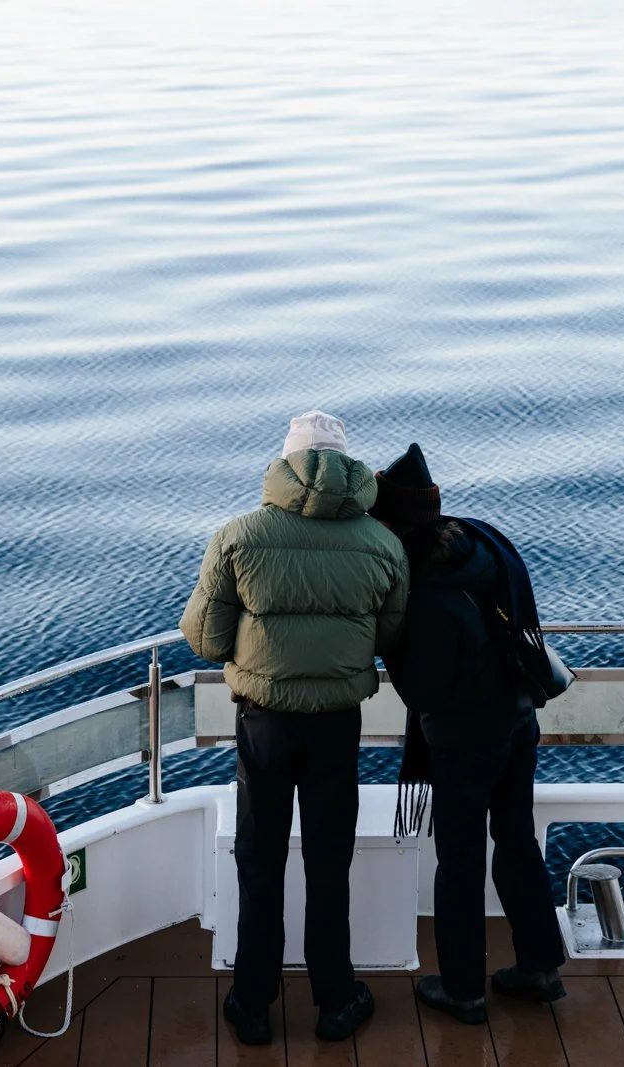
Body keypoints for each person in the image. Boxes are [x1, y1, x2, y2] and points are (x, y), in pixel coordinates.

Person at [180, 411, 409, 1045]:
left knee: (260, 858)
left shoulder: (239, 535)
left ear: (284, 466)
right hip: (337, 723)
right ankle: (336, 1000)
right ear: (351, 470)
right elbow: (387, 635)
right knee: (330, 861)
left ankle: (252, 1004)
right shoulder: (383, 543)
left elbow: (204, 638)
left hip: (264, 724)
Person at [371, 443, 567, 1025]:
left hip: (464, 739)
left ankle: (462, 988)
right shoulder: (485, 539)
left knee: (458, 861)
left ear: (392, 521)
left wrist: (390, 652)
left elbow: (427, 692)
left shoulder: (425, 587)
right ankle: (537, 966)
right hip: (518, 717)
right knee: (516, 840)